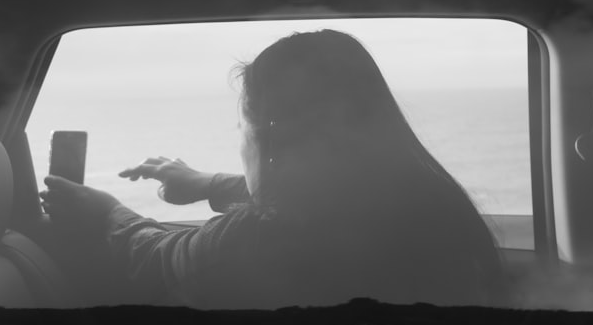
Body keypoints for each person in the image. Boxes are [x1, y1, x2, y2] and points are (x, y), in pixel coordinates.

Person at [40, 29, 505, 309]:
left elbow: (159, 260)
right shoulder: (433, 204)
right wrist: (209, 184)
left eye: (244, 125)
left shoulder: (264, 239)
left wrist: (106, 211)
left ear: (271, 135)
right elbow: (336, 195)